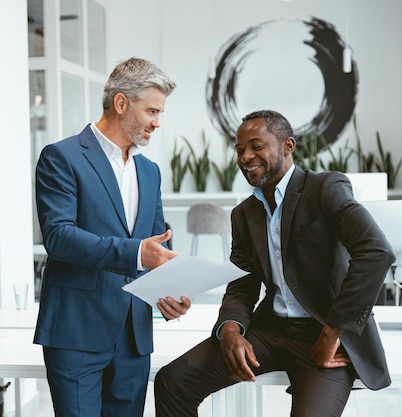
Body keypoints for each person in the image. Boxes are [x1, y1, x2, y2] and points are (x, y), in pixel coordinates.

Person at [154, 109, 396, 416]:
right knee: (173, 381)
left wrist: (332, 332)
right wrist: (230, 331)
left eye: (256, 146)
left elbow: (376, 252)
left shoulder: (325, 188)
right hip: (270, 330)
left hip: (325, 337)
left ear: (288, 146)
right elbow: (241, 284)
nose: (245, 156)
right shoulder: (244, 213)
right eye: (240, 150)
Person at [33, 57, 191, 417]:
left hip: (134, 337)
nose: (157, 122)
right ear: (121, 104)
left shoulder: (149, 172)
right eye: (152, 110)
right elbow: (58, 237)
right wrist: (137, 254)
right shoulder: (62, 157)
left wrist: (171, 293)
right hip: (77, 332)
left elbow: (156, 245)